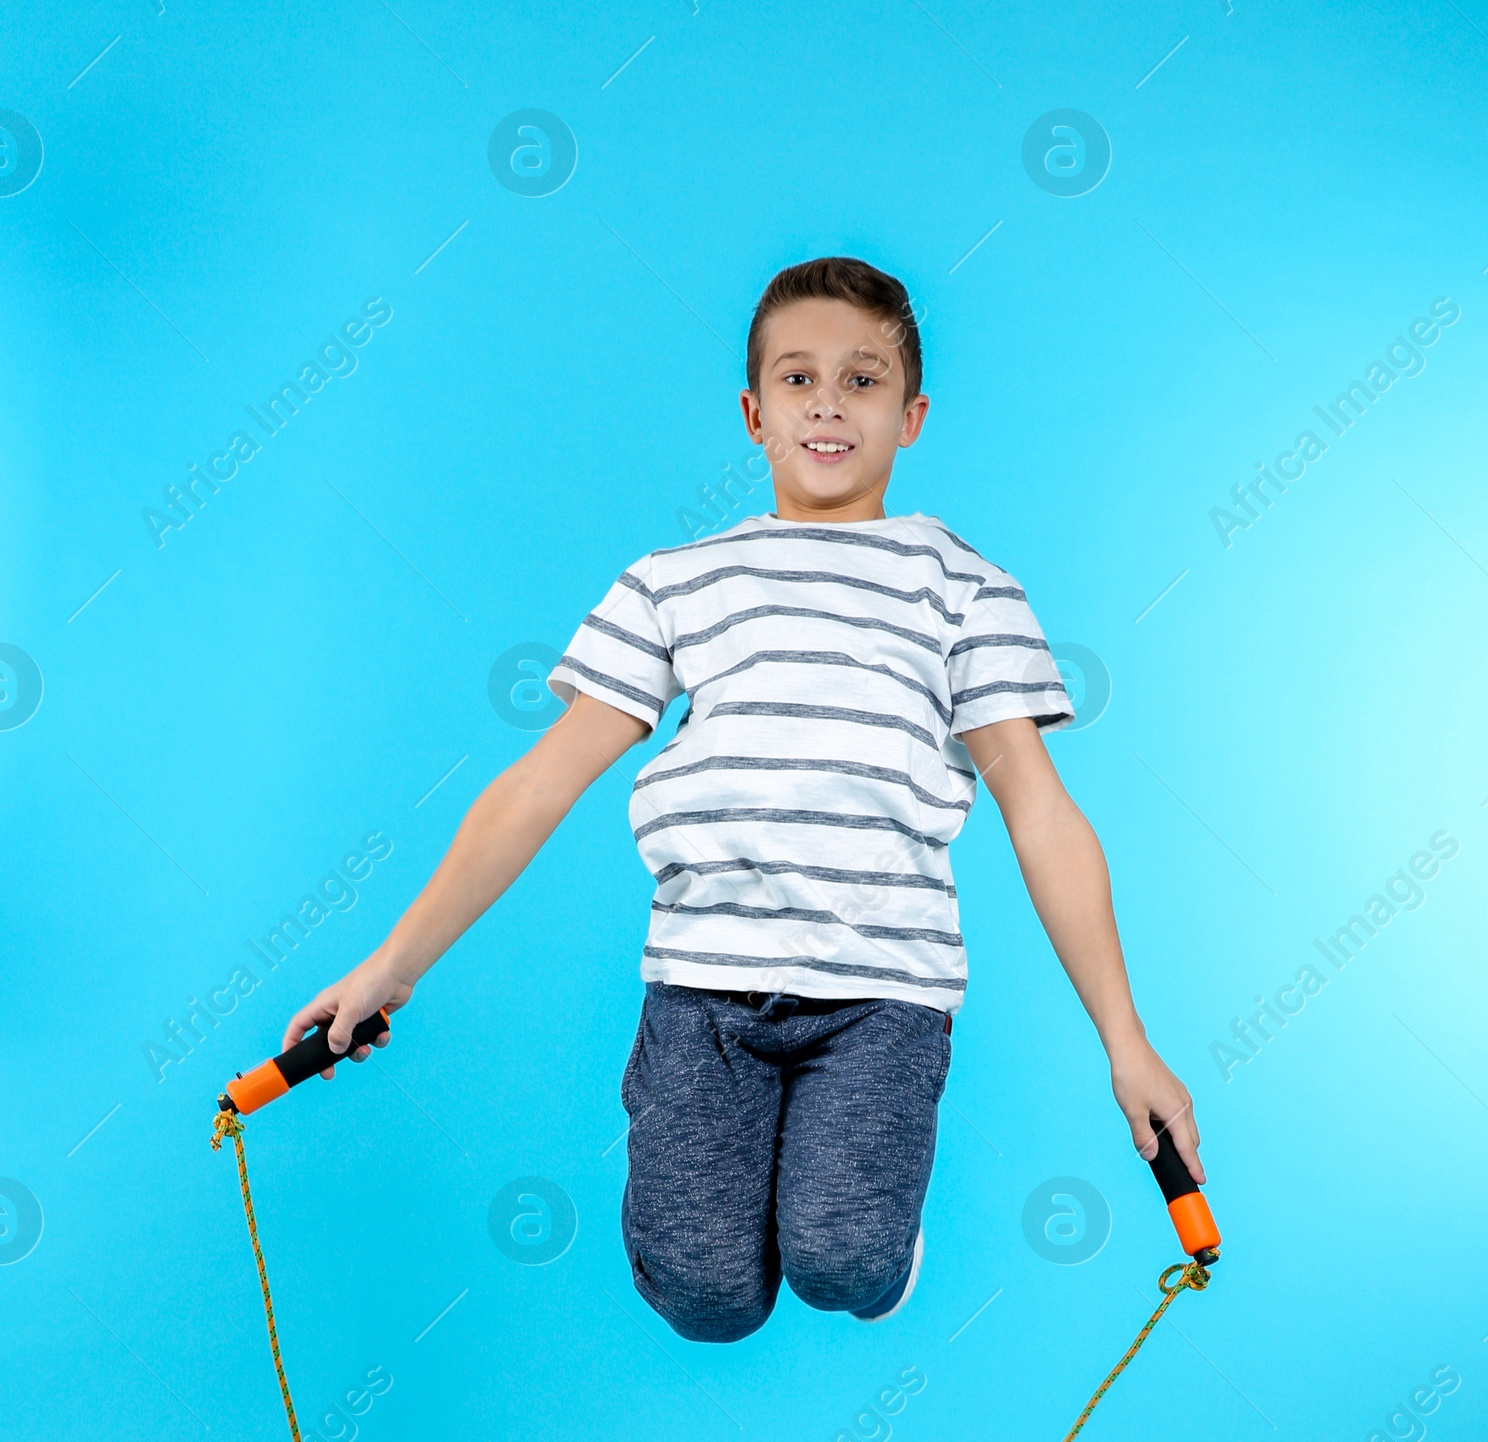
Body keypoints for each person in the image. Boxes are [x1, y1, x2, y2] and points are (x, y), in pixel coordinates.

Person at [284, 256, 1202, 1342]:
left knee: (841, 1259)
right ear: (752, 411)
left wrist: (1124, 1040)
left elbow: (1041, 815)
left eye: (862, 381)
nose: (827, 402)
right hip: (700, 995)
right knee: (704, 1297)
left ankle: (876, 1245)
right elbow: (539, 784)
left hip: (882, 995)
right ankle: (740, 1238)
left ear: (910, 417)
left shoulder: (965, 589)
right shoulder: (674, 582)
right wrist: (391, 967)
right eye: (797, 377)